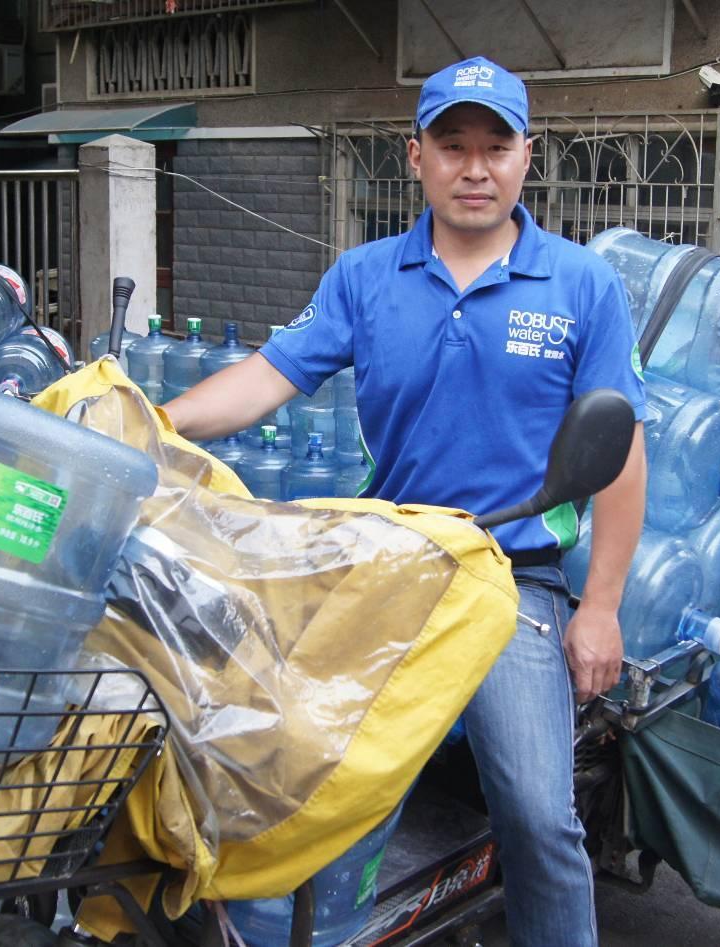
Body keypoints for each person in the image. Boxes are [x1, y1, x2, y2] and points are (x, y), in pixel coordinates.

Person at [165, 56, 646, 947]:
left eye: (495, 146)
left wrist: (604, 607)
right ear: (415, 155)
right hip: (392, 573)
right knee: (312, 789)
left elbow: (618, 457)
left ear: (525, 157)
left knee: (540, 817)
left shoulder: (583, 286)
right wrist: (158, 419)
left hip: (516, 583)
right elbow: (269, 377)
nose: (476, 167)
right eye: (453, 145)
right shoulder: (365, 276)